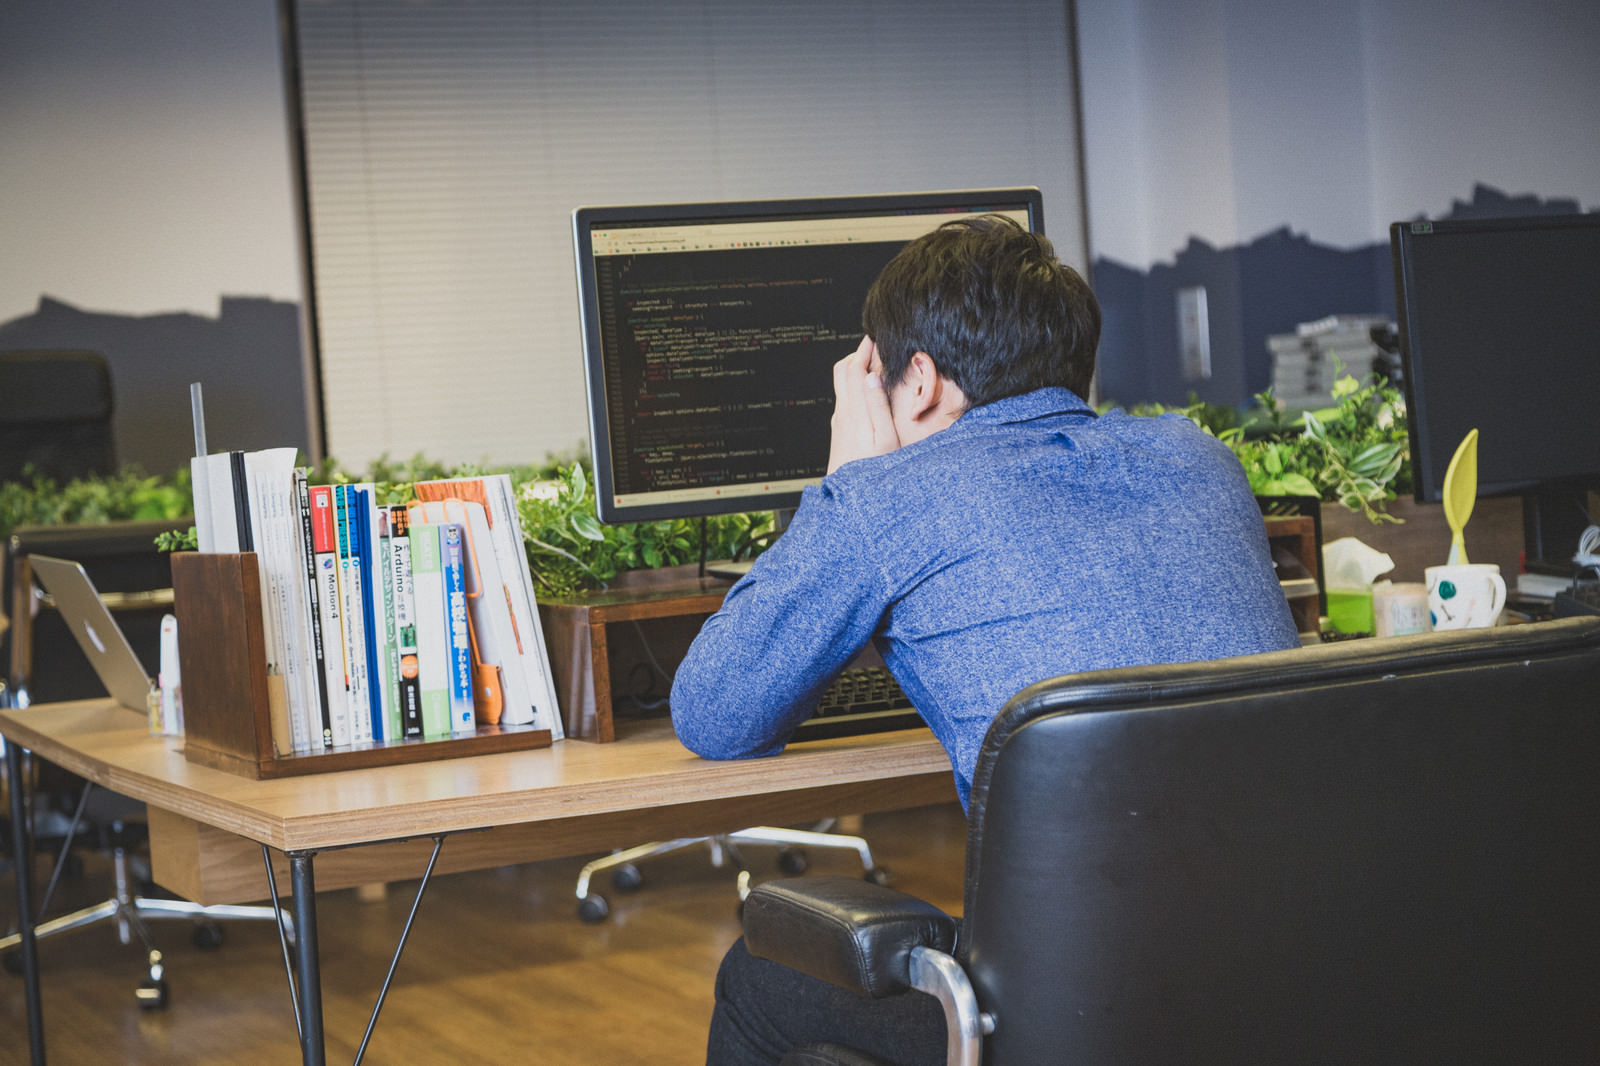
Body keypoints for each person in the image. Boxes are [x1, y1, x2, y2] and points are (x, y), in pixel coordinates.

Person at [671, 214, 1301, 1065]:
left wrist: (851, 481)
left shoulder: (890, 497)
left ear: (919, 380)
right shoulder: (1199, 460)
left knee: (759, 977)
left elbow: (715, 714)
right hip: (1286, 980)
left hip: (1081, 1020)